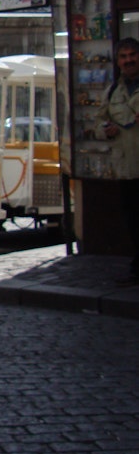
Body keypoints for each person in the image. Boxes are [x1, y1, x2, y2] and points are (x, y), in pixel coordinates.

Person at [98, 37, 139, 282]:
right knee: (133, 218)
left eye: (132, 55)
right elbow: (99, 120)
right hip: (126, 166)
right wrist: (106, 128)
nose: (128, 61)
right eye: (123, 57)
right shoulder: (113, 90)